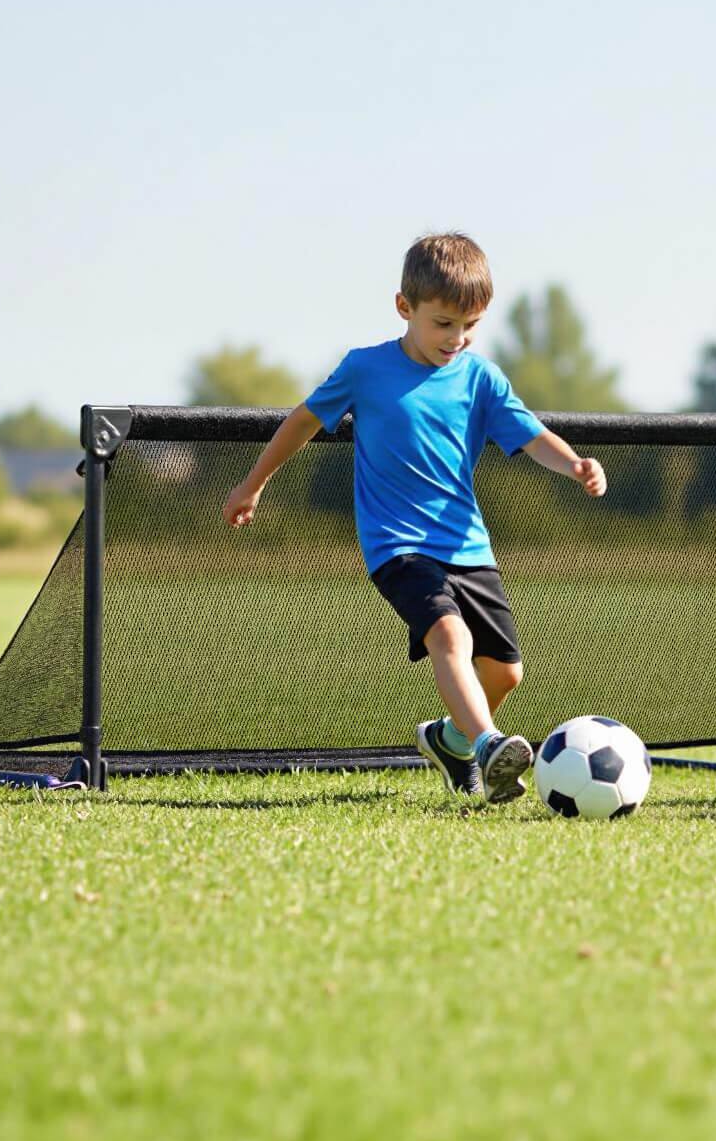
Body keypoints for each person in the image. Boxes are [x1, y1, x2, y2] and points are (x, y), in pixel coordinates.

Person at [222, 232, 607, 802]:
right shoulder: (365, 369)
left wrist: (574, 463)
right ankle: (486, 747)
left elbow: (530, 438)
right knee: (447, 635)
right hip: (395, 545)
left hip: (468, 545)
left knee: (504, 672)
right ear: (405, 307)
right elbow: (303, 421)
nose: (456, 339)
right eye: (443, 323)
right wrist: (254, 484)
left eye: (470, 325)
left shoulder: (482, 378)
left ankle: (450, 741)